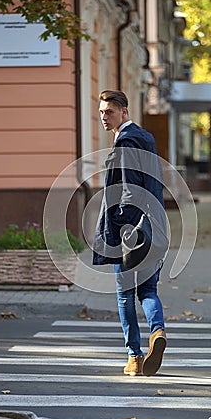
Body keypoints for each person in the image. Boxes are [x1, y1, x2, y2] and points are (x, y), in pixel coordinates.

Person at [92, 90, 167, 377]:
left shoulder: (125, 142)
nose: (103, 116)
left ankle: (134, 357)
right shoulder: (146, 138)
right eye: (101, 112)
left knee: (125, 295)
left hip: (129, 232)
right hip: (153, 227)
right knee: (148, 290)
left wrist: (123, 227)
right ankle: (157, 331)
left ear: (124, 112)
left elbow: (128, 190)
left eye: (109, 112)